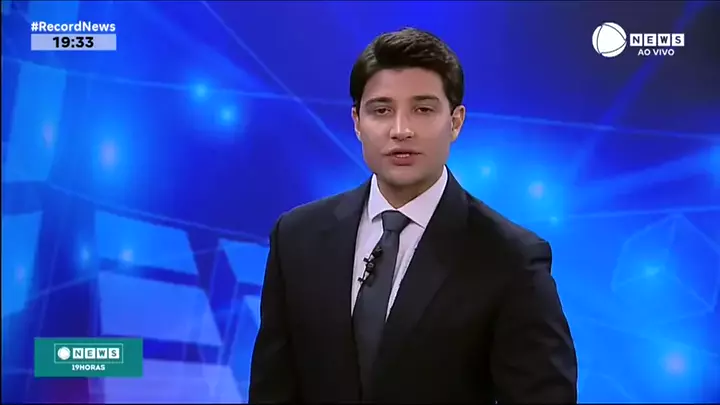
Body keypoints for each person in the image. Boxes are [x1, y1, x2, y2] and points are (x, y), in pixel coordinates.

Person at [249, 27, 577, 404]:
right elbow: (273, 389)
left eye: (423, 109)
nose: (401, 130)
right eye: (381, 110)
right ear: (357, 122)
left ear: (455, 121)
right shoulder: (296, 237)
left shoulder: (511, 258)